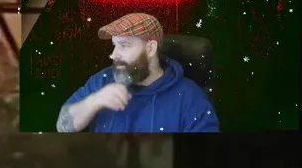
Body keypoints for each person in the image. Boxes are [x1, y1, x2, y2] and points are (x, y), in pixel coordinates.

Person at [55, 12, 220, 133]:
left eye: (124, 45)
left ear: (150, 48)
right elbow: (62, 126)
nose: (114, 54)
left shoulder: (189, 97)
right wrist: (93, 102)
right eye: (114, 45)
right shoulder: (102, 80)